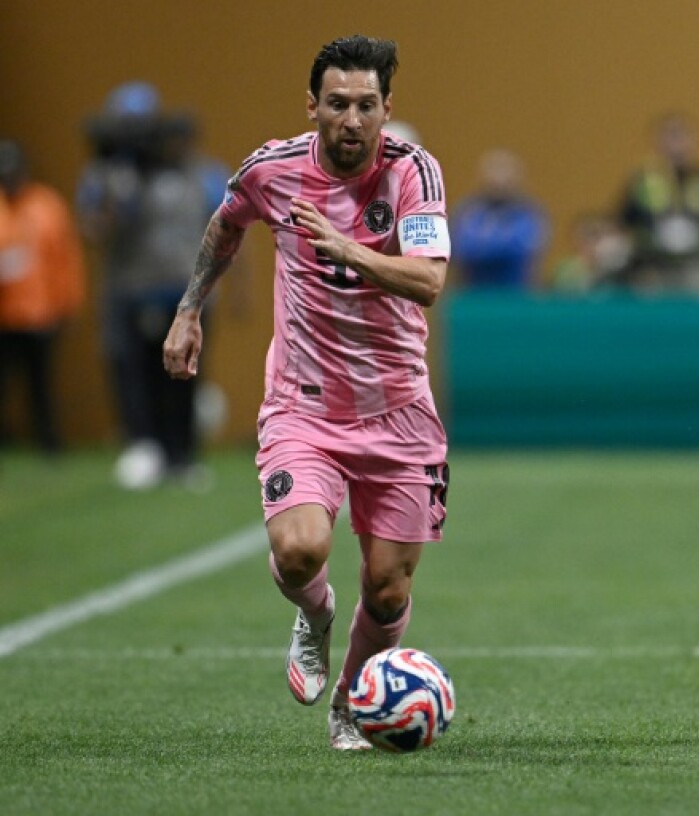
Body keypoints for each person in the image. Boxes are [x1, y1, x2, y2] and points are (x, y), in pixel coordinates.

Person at [162, 35, 452, 751]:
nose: (352, 119)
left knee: (387, 590)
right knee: (299, 551)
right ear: (313, 106)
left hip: (399, 409)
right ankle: (316, 616)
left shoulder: (414, 172)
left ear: (387, 108)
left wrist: (348, 248)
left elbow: (430, 280)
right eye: (337, 104)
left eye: (366, 105)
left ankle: (350, 709)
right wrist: (189, 308)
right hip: (306, 404)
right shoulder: (273, 169)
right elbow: (226, 225)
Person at [77, 82, 230, 489]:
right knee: (134, 374)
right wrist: (119, 192)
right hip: (130, 289)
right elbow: (95, 230)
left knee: (182, 375)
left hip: (186, 293)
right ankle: (144, 448)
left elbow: (225, 228)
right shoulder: (108, 174)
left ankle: (183, 455)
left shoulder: (201, 173)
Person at [0, 140, 86, 454]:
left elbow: (65, 258)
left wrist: (69, 302)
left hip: (41, 313)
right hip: (4, 313)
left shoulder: (46, 205)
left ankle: (49, 441)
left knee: (42, 384)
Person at [617, 112, 699, 294]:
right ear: (657, 144)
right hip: (653, 265)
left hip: (698, 264)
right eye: (669, 138)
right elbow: (623, 225)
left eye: (681, 138)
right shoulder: (642, 184)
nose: (675, 146)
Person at [449, 148, 549, 289]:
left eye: (505, 175)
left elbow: (520, 249)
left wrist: (483, 243)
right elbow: (462, 248)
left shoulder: (529, 212)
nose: (499, 182)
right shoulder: (467, 210)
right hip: (472, 293)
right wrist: (501, 240)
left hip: (516, 294)